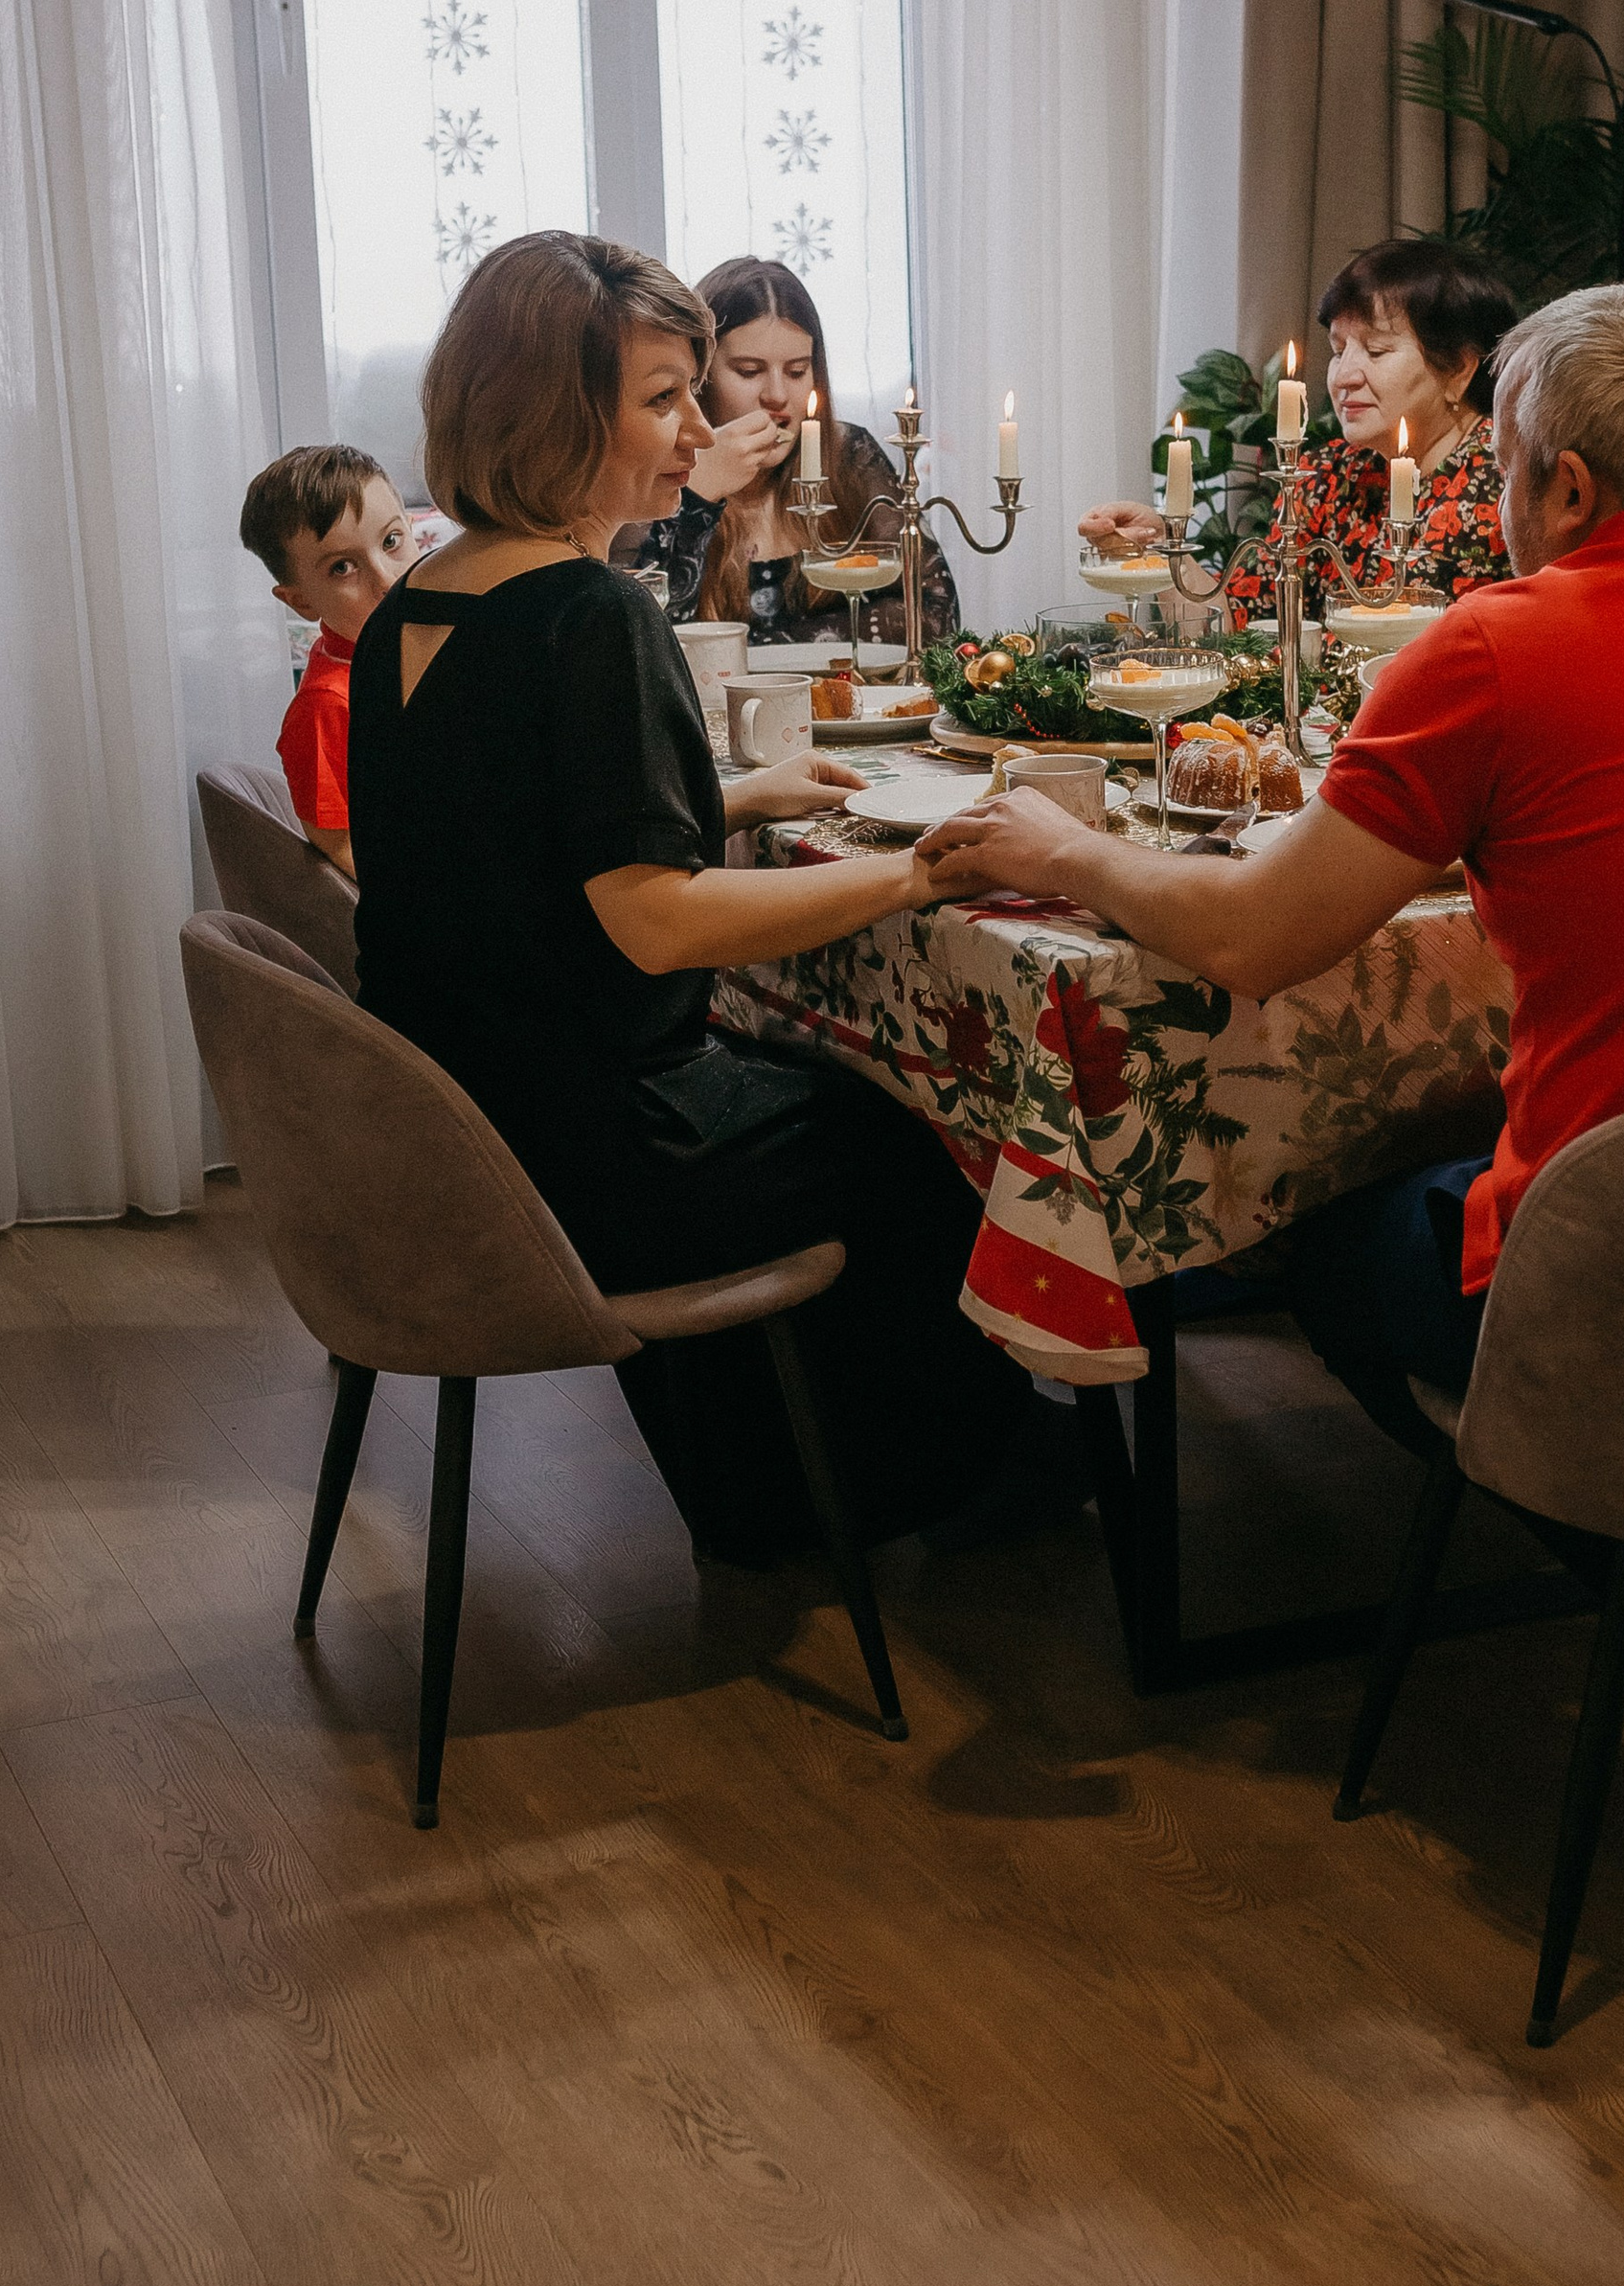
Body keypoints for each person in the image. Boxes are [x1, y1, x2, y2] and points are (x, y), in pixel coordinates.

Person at [921, 282, 1624, 1861]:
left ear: (1562, 485)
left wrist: (1065, 850)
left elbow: (1251, 941)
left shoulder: (1503, 648)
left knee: (1325, 1238)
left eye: (1504, 470)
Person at [345, 230, 1056, 1566]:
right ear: (562, 414)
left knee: (814, 1076)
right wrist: (905, 872)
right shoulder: (591, 612)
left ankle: (764, 1488)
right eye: (664, 398)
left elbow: (503, 831)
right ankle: (942, 1482)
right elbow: (656, 919)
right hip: (595, 1151)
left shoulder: (418, 600)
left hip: (464, 1129)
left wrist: (735, 799)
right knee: (920, 1131)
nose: (702, 431)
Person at [1079, 238, 1516, 620]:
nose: (1344, 376)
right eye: (1338, 350)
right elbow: (1238, 626)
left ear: (1459, 368)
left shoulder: (1512, 486)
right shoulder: (1326, 478)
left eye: (1377, 351)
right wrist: (1158, 547)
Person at [629, 255, 960, 653]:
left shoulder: (847, 454)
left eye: (798, 371)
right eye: (749, 371)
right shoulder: (657, 475)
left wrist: (750, 649)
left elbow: (937, 615)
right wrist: (697, 497)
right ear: (699, 378)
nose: (777, 396)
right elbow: (644, 645)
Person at [239, 445, 425, 876]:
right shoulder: (327, 706)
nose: (386, 580)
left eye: (392, 541)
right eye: (343, 567)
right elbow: (338, 848)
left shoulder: (420, 647)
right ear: (301, 601)